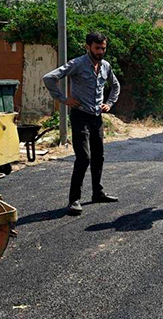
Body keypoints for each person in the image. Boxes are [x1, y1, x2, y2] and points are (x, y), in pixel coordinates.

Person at [43, 32, 121, 215]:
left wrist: (109, 103)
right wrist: (64, 99)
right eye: (97, 48)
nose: (100, 51)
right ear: (88, 47)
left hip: (96, 117)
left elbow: (115, 86)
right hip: (80, 116)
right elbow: (49, 78)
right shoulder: (77, 64)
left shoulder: (106, 66)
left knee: (98, 156)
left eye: (103, 48)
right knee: (83, 158)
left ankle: (97, 192)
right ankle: (74, 200)